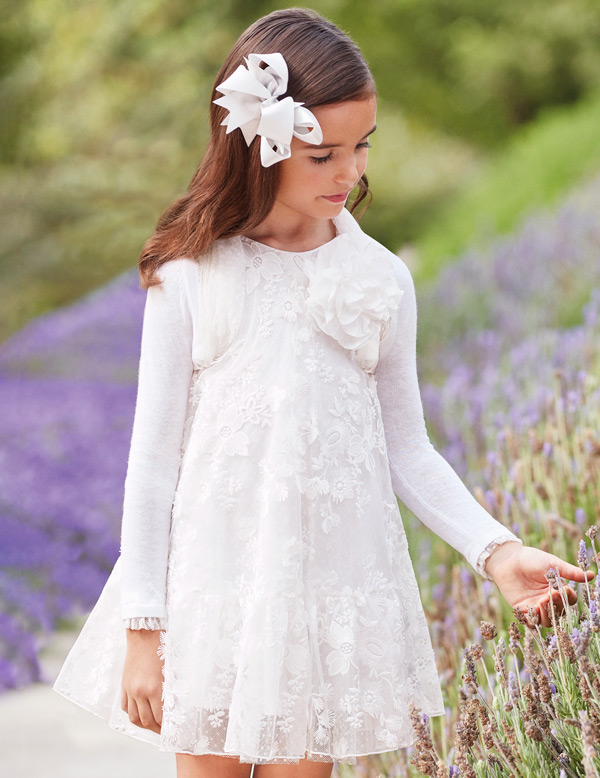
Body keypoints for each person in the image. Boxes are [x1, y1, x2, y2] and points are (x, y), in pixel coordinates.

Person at [52, 7, 593, 778]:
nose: (349, 172)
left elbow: (407, 447)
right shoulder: (190, 279)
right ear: (259, 146)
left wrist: (495, 550)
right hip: (215, 596)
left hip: (323, 604)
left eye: (362, 146)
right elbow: (152, 465)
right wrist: (146, 624)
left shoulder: (378, 281)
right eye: (323, 154)